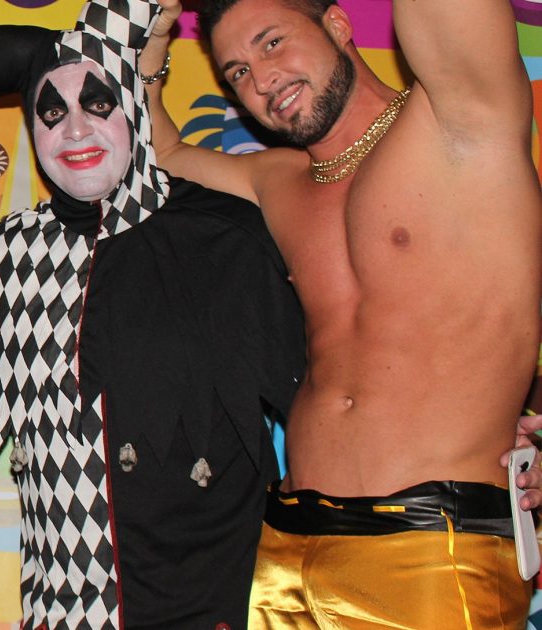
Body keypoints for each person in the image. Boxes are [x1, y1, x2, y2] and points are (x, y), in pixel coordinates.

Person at [143, 0, 542, 625]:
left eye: (272, 43)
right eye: (238, 72)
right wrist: (152, 41)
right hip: (284, 548)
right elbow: (156, 155)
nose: (262, 79)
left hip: (432, 548)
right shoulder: (276, 181)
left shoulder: (462, 119)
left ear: (337, 24)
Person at [0, 1, 304, 627]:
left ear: (132, 107)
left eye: (97, 104)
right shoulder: (11, 256)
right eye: (51, 113)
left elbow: (318, 398)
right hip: (65, 612)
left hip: (213, 605)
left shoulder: (227, 236)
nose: (74, 130)